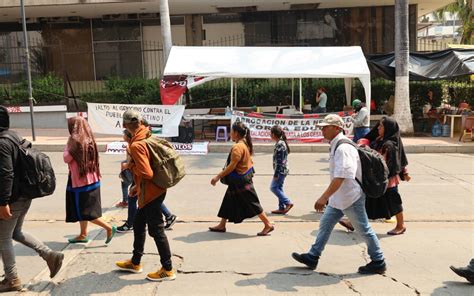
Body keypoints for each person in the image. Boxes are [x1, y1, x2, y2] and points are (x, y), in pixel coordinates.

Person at [292, 114, 386, 274]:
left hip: (350, 197)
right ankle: (313, 256)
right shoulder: (336, 144)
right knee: (325, 225)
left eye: (325, 127)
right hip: (340, 198)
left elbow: (342, 176)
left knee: (364, 229)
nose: (322, 130)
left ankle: (378, 261)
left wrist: (324, 197)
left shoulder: (343, 148)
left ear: (337, 128)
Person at [0, 106, 64, 292]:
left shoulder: (2, 143)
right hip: (24, 194)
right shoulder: (13, 136)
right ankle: (50, 255)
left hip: (13, 198)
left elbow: (6, 174)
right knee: (15, 232)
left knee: (3, 238)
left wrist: (3, 202)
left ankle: (12, 279)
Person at [116, 110, 176, 281]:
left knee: (156, 230)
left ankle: (168, 268)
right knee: (138, 223)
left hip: (151, 193)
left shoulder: (136, 145)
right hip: (150, 190)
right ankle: (135, 262)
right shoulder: (146, 134)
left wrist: (129, 166)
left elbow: (147, 173)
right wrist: (136, 185)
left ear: (125, 125)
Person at [339, 117, 410, 235]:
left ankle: (401, 225)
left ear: (387, 128)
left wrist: (367, 150)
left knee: (394, 202)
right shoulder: (380, 139)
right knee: (367, 200)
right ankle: (354, 222)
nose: (378, 128)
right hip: (379, 178)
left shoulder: (389, 145)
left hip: (388, 180)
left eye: (381, 126)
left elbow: (389, 160)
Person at [209, 122, 275, 236]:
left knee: (253, 203)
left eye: (231, 131)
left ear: (236, 133)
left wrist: (217, 176)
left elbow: (232, 166)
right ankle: (222, 224)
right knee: (228, 200)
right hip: (242, 178)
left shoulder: (237, 147)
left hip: (241, 180)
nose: (230, 133)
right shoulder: (244, 144)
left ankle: (267, 224)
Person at [64, 116, 116, 244]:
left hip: (81, 182)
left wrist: (68, 146)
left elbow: (66, 158)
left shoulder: (75, 142)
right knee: (84, 209)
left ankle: (109, 228)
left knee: (85, 212)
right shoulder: (89, 139)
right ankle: (83, 234)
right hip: (92, 179)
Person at [117, 130, 177, 233]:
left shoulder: (132, 147)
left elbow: (135, 164)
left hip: (141, 177)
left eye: (124, 134)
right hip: (144, 176)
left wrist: (126, 167)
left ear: (128, 136)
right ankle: (169, 216)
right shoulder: (140, 144)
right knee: (150, 197)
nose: (122, 136)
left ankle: (130, 223)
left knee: (136, 198)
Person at [269, 125, 294, 215]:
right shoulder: (280, 143)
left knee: (273, 187)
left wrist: (276, 174)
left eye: (271, 133)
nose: (270, 135)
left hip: (281, 171)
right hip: (282, 170)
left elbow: (280, 161)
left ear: (274, 134)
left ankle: (287, 202)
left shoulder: (280, 144)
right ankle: (281, 207)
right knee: (279, 187)